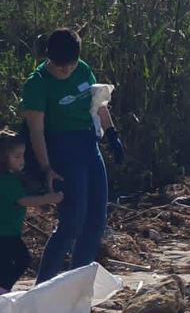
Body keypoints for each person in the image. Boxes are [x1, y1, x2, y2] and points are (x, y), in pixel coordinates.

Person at [22, 29, 123, 283]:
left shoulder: (83, 69)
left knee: (95, 221)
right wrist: (46, 168)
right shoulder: (37, 83)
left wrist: (112, 134)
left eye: (70, 65)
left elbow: (98, 103)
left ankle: (77, 286)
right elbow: (36, 130)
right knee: (72, 223)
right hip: (62, 149)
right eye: (59, 65)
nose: (65, 70)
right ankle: (43, 287)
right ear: (49, 58)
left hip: (88, 146)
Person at [2, 131, 64, 291]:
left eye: (23, 156)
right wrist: (50, 199)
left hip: (10, 232)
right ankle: (3, 289)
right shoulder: (7, 182)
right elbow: (24, 201)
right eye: (17, 157)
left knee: (13, 262)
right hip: (5, 234)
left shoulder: (13, 179)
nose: (22, 160)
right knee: (22, 260)